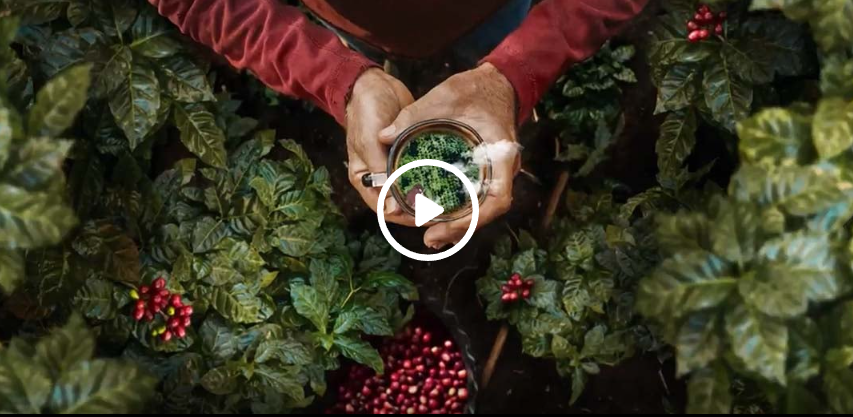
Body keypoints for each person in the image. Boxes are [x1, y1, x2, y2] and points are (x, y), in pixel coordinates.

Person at [147, 0, 650, 249]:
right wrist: (337, 76)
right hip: (363, 24)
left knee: (509, 26)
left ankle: (495, 61)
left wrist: (520, 68)